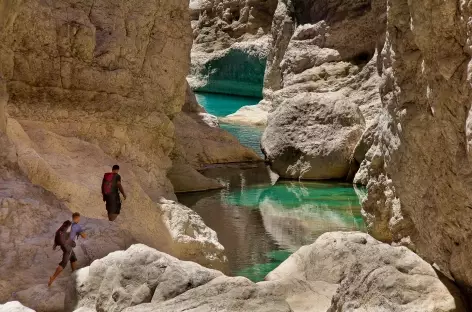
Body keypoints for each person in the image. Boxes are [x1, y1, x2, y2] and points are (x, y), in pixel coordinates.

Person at [48, 212, 86, 287]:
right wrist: (82, 233)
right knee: (64, 262)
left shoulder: (68, 223)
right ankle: (52, 278)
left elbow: (59, 233)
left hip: (63, 244)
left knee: (73, 258)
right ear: (77, 218)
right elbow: (84, 236)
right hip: (68, 246)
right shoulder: (76, 226)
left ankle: (74, 275)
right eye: (79, 218)